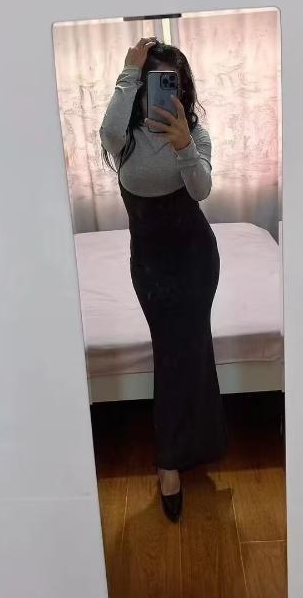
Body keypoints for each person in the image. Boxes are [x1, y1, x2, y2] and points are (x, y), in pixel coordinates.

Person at [99, 37, 228, 523]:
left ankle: (174, 459)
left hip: (195, 259)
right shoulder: (125, 138)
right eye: (155, 81)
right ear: (140, 87)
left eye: (172, 82)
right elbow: (107, 131)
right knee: (172, 353)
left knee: (192, 350)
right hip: (151, 265)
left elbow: (201, 189)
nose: (166, 91)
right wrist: (129, 70)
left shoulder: (194, 135)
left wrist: (184, 146)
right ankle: (182, 450)